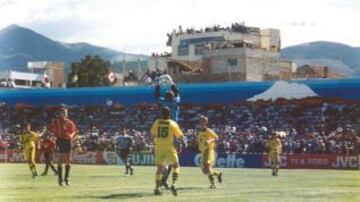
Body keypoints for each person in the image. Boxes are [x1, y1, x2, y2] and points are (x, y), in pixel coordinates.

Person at [150, 107, 186, 196]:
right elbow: (180, 136)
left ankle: (157, 188)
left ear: (161, 114)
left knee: (159, 169)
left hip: (158, 147)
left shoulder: (157, 122)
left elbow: (151, 134)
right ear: (169, 114)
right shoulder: (172, 123)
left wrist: (154, 143)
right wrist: (184, 142)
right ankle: (173, 184)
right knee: (176, 166)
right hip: (169, 147)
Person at [154, 74, 181, 189]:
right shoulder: (175, 102)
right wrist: (172, 83)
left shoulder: (163, 102)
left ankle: (162, 180)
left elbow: (156, 96)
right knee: (174, 161)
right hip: (173, 130)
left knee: (162, 161)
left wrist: (158, 85)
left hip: (162, 129)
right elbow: (178, 93)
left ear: (165, 97)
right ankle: (165, 178)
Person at [48, 106, 77, 186]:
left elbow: (74, 131)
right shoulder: (56, 122)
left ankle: (66, 178)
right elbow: (49, 129)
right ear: (60, 114)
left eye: (66, 113)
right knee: (60, 160)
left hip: (68, 141)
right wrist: (52, 135)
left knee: (68, 160)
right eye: (63, 113)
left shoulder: (69, 122)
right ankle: (60, 179)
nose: (65, 114)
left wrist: (71, 135)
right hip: (60, 141)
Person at [197, 115, 222, 188]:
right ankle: (218, 174)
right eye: (200, 121)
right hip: (203, 151)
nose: (201, 123)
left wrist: (209, 140)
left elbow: (216, 137)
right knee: (204, 171)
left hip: (208, 150)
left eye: (203, 122)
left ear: (206, 123)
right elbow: (200, 141)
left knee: (207, 168)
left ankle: (213, 184)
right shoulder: (200, 131)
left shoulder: (208, 130)